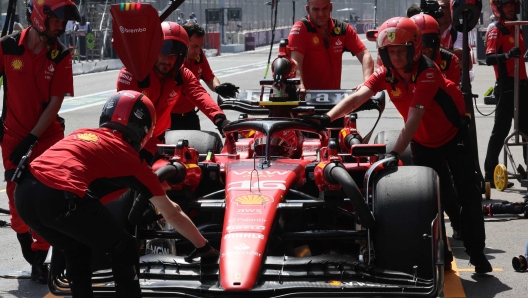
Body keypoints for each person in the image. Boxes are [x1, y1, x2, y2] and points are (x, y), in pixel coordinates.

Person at [309, 17, 492, 274]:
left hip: (453, 136)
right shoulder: (386, 74)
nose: (395, 57)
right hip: (423, 142)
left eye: (400, 50)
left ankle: (476, 253)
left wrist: (394, 154)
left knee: (468, 193)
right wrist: (326, 118)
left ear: (413, 49)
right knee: (433, 198)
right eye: (390, 51)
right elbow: (358, 97)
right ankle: (441, 248)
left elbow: (414, 119)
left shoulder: (428, 72)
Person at [14, 91, 218, 298]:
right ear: (144, 128)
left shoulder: (82, 133)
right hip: (59, 197)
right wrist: (204, 247)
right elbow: (172, 214)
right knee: (126, 247)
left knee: (76, 249)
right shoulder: (131, 161)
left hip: (24, 194)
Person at [0, 0, 80, 283]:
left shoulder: (61, 55)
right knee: (17, 204)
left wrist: (33, 137)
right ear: (39, 16)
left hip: (47, 138)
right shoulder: (8, 46)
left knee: (48, 201)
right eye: (58, 19)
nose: (62, 26)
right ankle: (30, 252)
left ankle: (39, 256)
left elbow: (55, 102)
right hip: (12, 138)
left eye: (65, 21)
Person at [116, 22, 229, 163]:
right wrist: (153, 150)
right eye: (163, 53)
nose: (167, 60)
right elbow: (128, 121)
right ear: (153, 51)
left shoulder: (181, 75)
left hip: (159, 138)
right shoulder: (132, 74)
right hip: (130, 142)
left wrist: (220, 120)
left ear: (180, 57)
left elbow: (200, 95)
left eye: (173, 55)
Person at [411, 13, 462, 240]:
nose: (427, 48)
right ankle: (436, 235)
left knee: (448, 186)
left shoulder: (451, 62)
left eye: (431, 41)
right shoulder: (403, 63)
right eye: (422, 42)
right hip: (419, 132)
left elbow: (441, 94)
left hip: (445, 131)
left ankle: (460, 225)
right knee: (428, 190)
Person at [484, 0, 527, 188]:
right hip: (506, 85)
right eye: (506, 5)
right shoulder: (496, 29)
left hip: (523, 83)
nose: (510, 9)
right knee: (501, 130)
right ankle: (489, 174)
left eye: (512, 5)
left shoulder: (517, 27)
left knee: (526, 127)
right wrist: (508, 55)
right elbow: (489, 58)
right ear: (498, 8)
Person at [288, 0, 374, 91]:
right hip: (306, 97)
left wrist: (367, 83)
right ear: (307, 9)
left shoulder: (343, 29)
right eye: (316, 10)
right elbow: (294, 62)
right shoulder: (301, 28)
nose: (321, 14)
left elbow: (366, 55)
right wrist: (300, 86)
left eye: (325, 8)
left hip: (333, 97)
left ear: (331, 7)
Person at [170, 22, 238, 130]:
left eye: (200, 46)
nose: (198, 51)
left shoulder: (199, 55)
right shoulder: (172, 63)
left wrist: (218, 87)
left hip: (190, 116)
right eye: (194, 46)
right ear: (183, 43)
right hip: (168, 119)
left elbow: (208, 78)